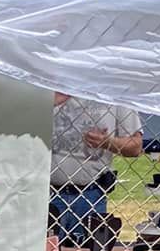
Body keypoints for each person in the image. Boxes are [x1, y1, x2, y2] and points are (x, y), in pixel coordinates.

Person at [49, 92, 144, 242]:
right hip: (45, 194)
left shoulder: (116, 89)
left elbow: (136, 147)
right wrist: (47, 103)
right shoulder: (44, 82)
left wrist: (107, 143)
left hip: (91, 196)